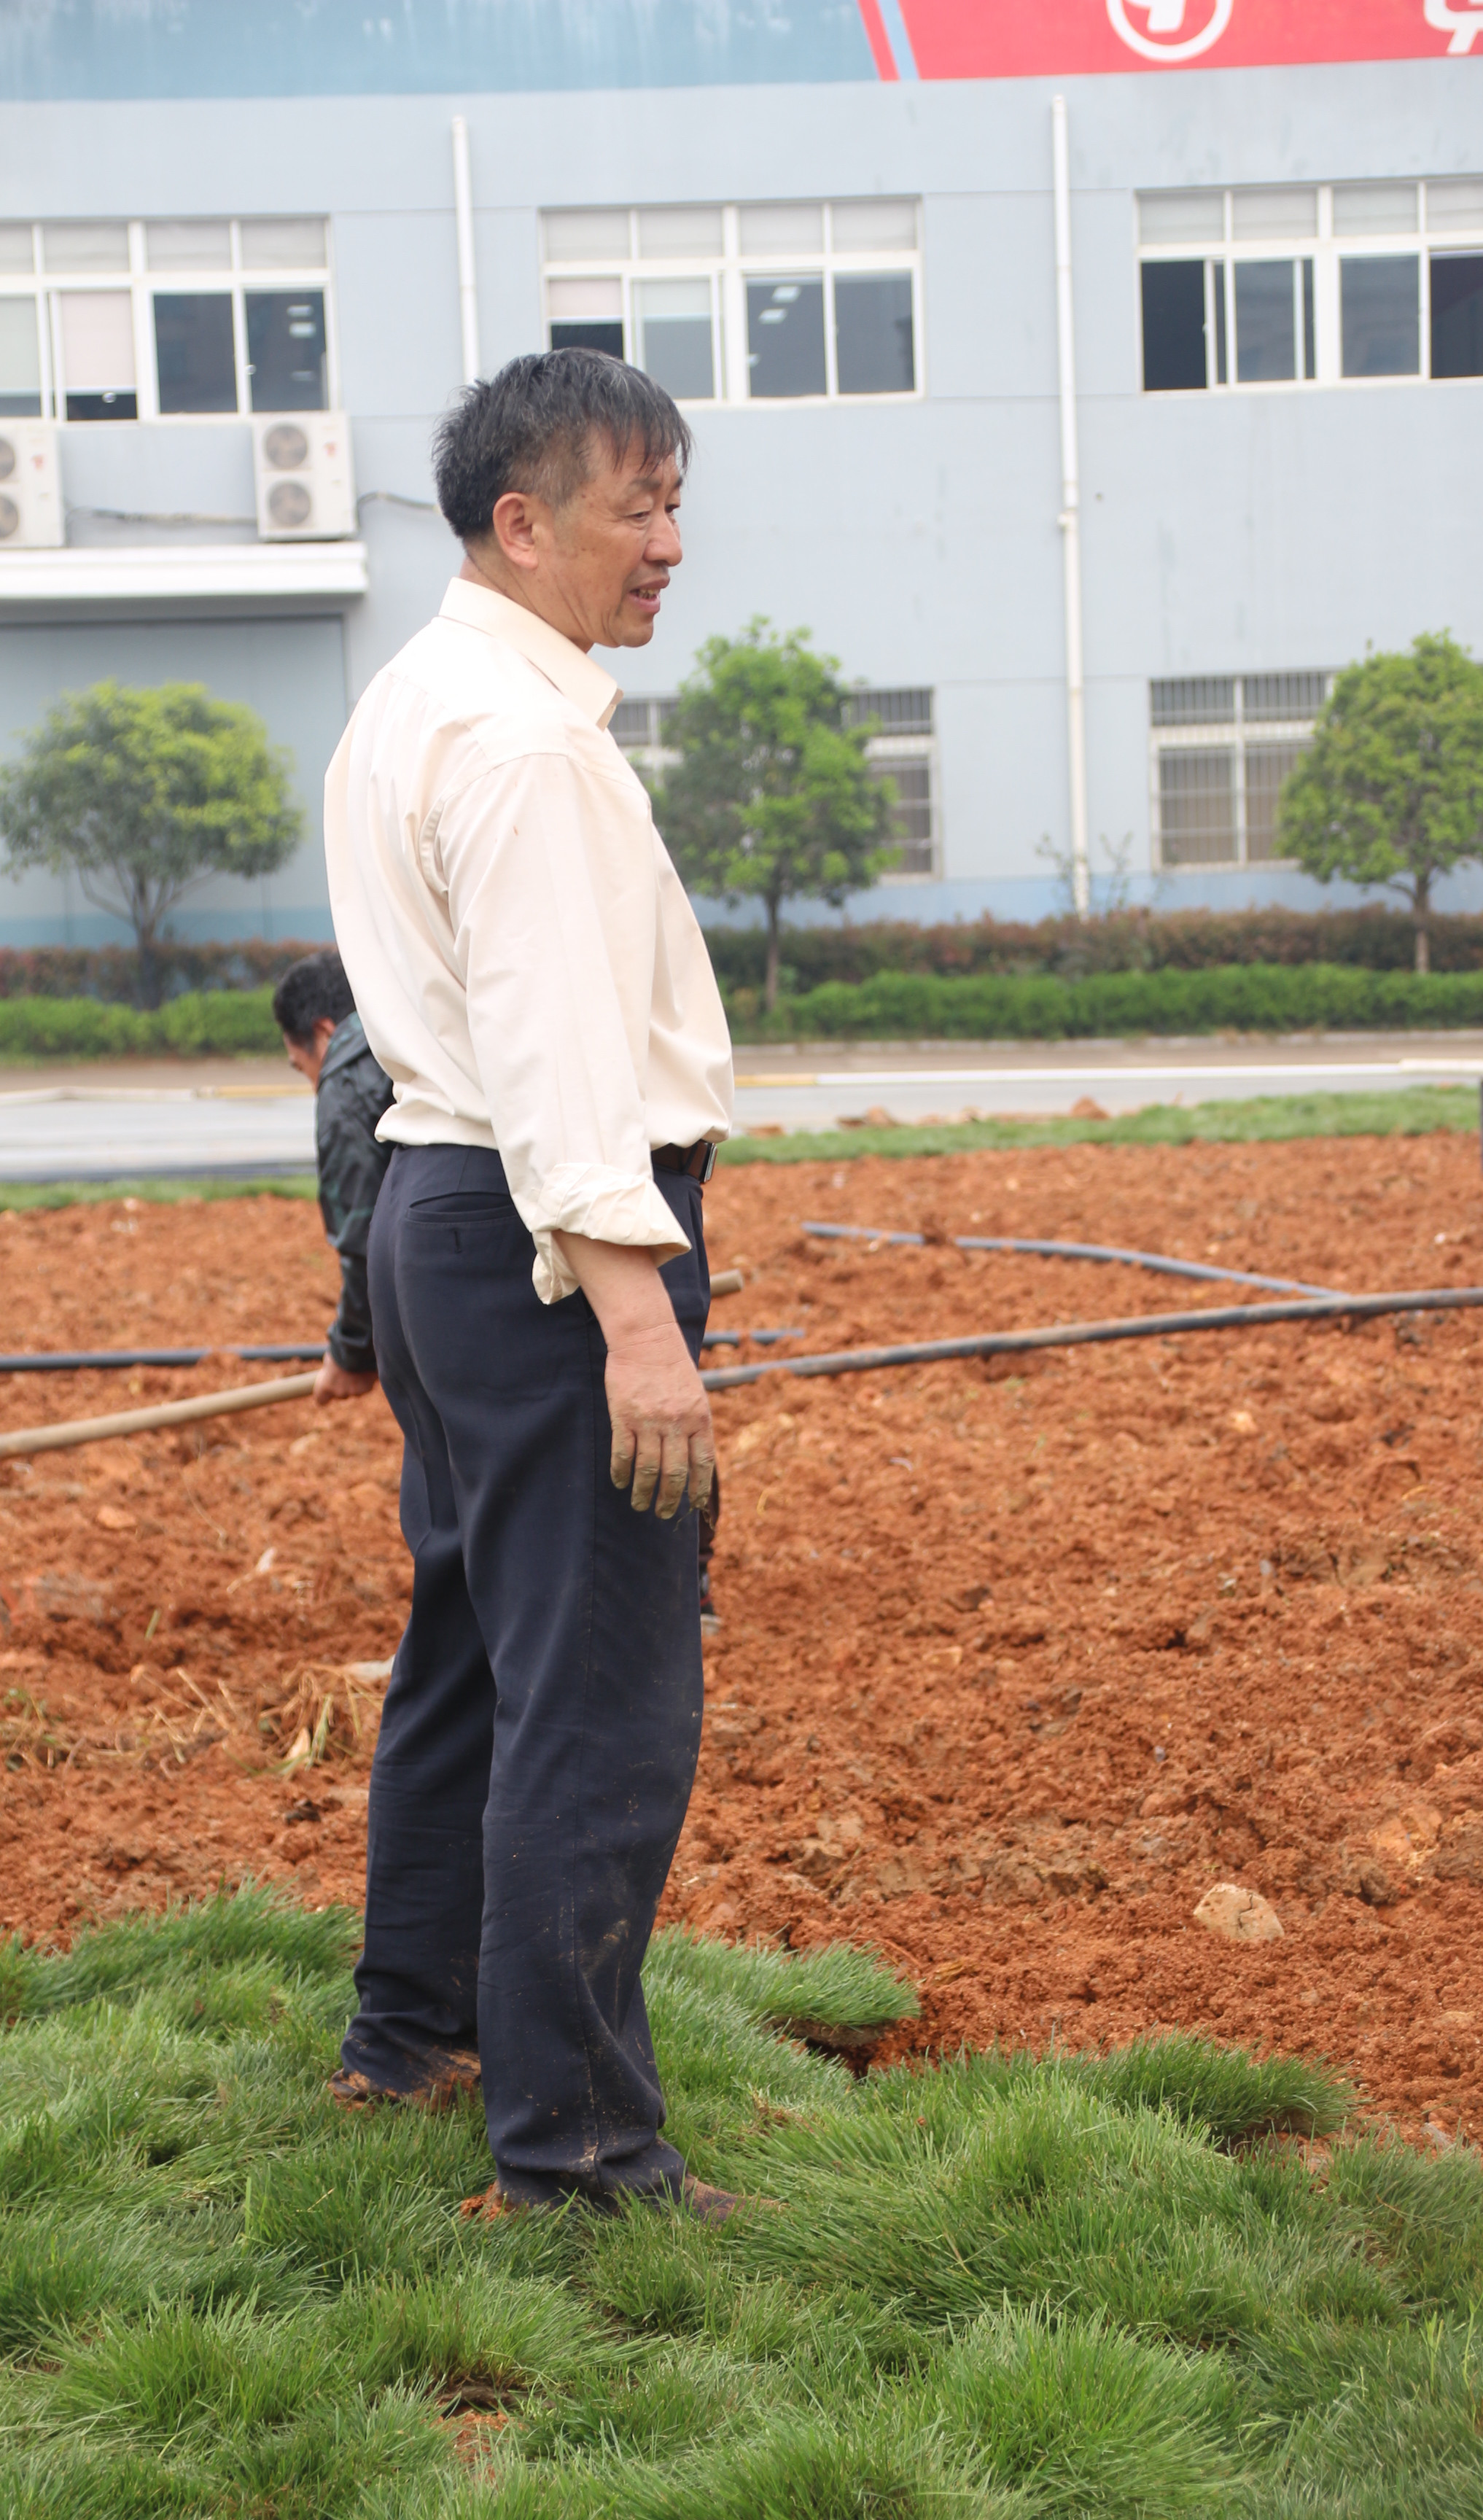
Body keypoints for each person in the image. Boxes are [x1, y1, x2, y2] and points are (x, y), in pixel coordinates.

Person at [322, 350, 735, 2220]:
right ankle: (576, 2155)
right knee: (600, 1698)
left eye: (675, 503)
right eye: (635, 507)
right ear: (521, 521)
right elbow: (558, 1059)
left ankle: (412, 2033)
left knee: (474, 1659)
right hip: (547, 1243)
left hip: (441, 1215)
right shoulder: (528, 743)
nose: (668, 544)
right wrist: (639, 1319)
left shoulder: (414, 697)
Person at [272, 947, 395, 1405]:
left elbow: (365, 1240)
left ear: (323, 1033)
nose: (313, 1085)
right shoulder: (410, 1031)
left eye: (302, 1067)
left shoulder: (344, 1084)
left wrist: (350, 1354)